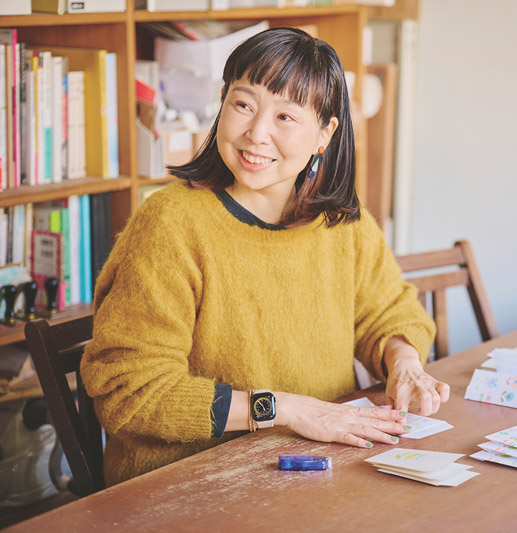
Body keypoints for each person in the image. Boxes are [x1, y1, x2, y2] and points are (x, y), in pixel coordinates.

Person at [81, 27, 449, 486]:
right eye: (243, 104)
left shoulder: (339, 222)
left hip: (314, 468)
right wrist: (287, 408)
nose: (256, 133)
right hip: (186, 483)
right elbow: (131, 390)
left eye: (285, 117)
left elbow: (388, 311)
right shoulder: (170, 223)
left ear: (325, 133)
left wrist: (404, 363)